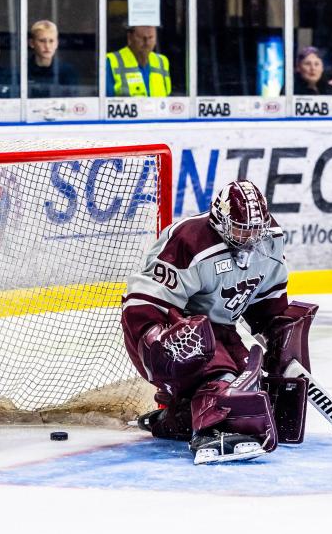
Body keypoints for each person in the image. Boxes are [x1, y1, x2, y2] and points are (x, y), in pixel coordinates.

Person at [121, 180, 317, 464]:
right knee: (220, 379)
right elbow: (144, 300)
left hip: (220, 328)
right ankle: (210, 431)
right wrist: (154, 339)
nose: (250, 237)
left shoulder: (270, 238)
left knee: (247, 389)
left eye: (255, 229)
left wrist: (276, 336)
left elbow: (267, 299)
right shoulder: (189, 241)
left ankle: (178, 417)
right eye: (241, 229)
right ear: (220, 221)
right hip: (175, 327)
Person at [105, 26, 171, 97]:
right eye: (142, 38)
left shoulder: (162, 61)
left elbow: (167, 97)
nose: (147, 43)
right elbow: (106, 102)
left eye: (151, 37)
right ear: (130, 37)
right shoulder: (111, 61)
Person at [27, 20, 80, 98]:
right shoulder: (21, 71)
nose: (47, 46)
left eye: (51, 41)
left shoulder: (67, 72)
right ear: (32, 43)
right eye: (42, 41)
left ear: (57, 44)